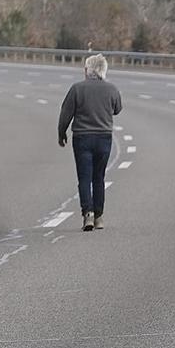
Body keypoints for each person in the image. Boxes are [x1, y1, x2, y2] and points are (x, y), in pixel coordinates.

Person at [58, 53, 122, 231]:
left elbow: (66, 113)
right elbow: (117, 109)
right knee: (99, 177)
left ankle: (88, 214)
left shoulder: (77, 89)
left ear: (88, 70)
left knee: (84, 178)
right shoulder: (112, 89)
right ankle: (100, 216)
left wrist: (61, 132)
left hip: (82, 137)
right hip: (104, 138)